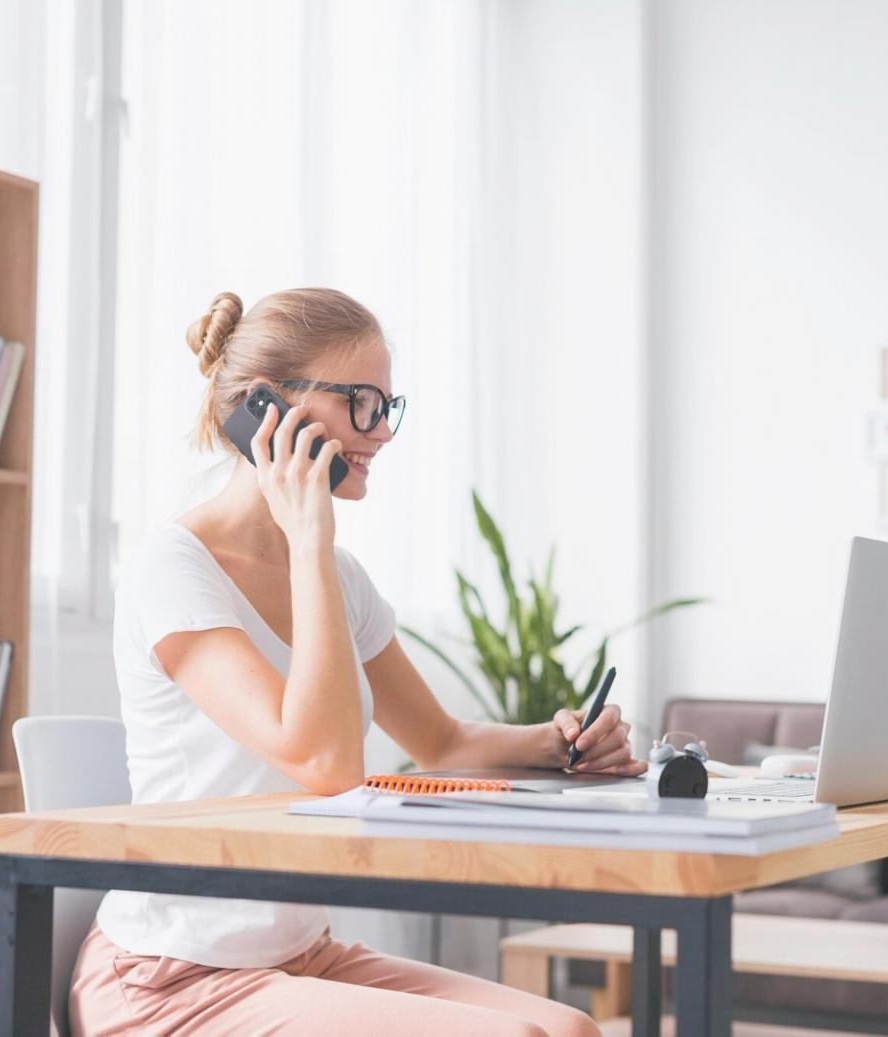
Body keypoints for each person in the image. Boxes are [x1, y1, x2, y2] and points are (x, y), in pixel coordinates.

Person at [70, 288, 646, 1036]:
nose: (381, 431)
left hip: (301, 958)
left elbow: (439, 742)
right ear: (264, 410)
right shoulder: (174, 569)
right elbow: (324, 759)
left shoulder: (338, 577)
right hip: (171, 978)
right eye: (361, 403)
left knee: (569, 1030)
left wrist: (560, 742)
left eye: (386, 404)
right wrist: (306, 534)